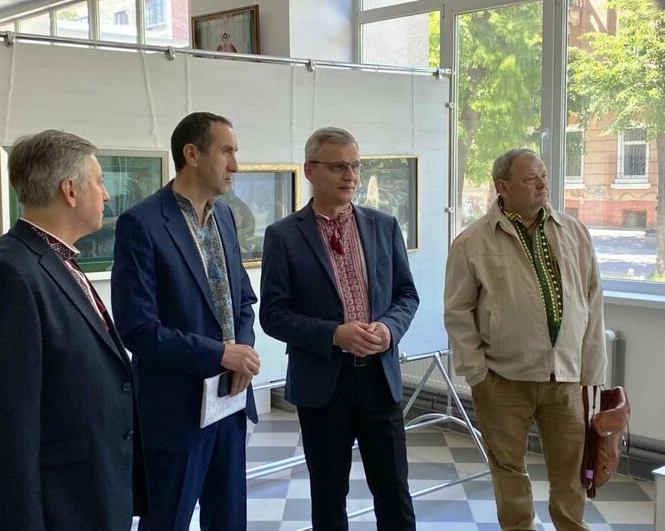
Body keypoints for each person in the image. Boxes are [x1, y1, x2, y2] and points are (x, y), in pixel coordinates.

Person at [0, 130, 145, 530]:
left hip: (89, 491)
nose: (106, 196)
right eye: (99, 182)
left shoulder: (55, 260)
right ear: (70, 190)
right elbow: (3, 428)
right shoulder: (6, 273)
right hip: (58, 503)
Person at [260, 127, 418, 530]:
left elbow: (406, 295)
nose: (350, 176)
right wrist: (334, 333)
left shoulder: (384, 226)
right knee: (329, 499)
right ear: (310, 170)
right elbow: (273, 315)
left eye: (355, 166)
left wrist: (388, 329)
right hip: (322, 384)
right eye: (338, 167)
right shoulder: (283, 235)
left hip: (379, 379)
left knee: (395, 495)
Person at [444, 148, 607, 530]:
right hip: (502, 380)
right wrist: (478, 374)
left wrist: (591, 371)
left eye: (544, 176)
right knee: (509, 471)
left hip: (564, 379)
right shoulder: (472, 242)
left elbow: (593, 301)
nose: (542, 184)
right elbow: (457, 312)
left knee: (571, 473)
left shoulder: (574, 232)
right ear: (502, 186)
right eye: (531, 178)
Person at [111, 112, 260, 530]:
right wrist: (221, 354)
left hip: (230, 398)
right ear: (192, 154)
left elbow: (243, 300)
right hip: (175, 408)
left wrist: (242, 352)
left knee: (229, 520)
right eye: (226, 152)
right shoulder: (141, 224)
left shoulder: (225, 216)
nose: (235, 165)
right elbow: (138, 328)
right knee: (167, 520)